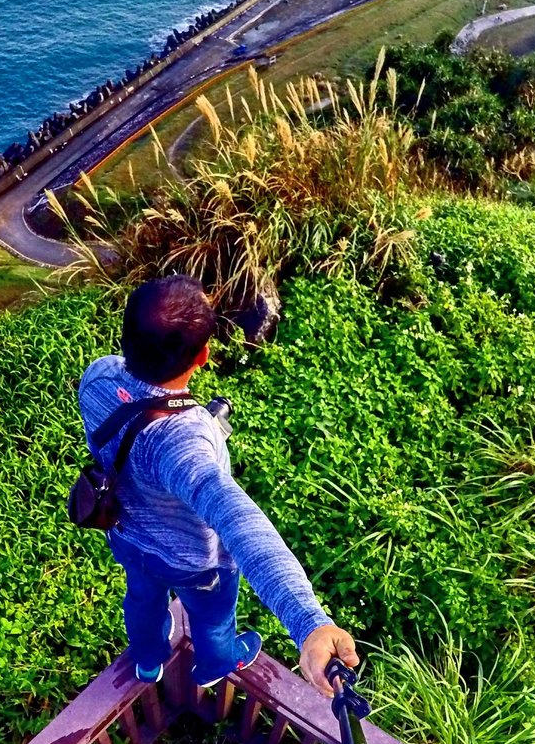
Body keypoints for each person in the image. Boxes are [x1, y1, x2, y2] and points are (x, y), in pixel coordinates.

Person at [78, 274, 358, 696]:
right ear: (203, 355)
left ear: (127, 334)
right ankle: (216, 662)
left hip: (128, 535)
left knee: (141, 598)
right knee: (212, 620)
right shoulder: (184, 440)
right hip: (193, 563)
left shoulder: (98, 377)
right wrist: (309, 623)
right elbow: (240, 524)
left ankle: (149, 658)